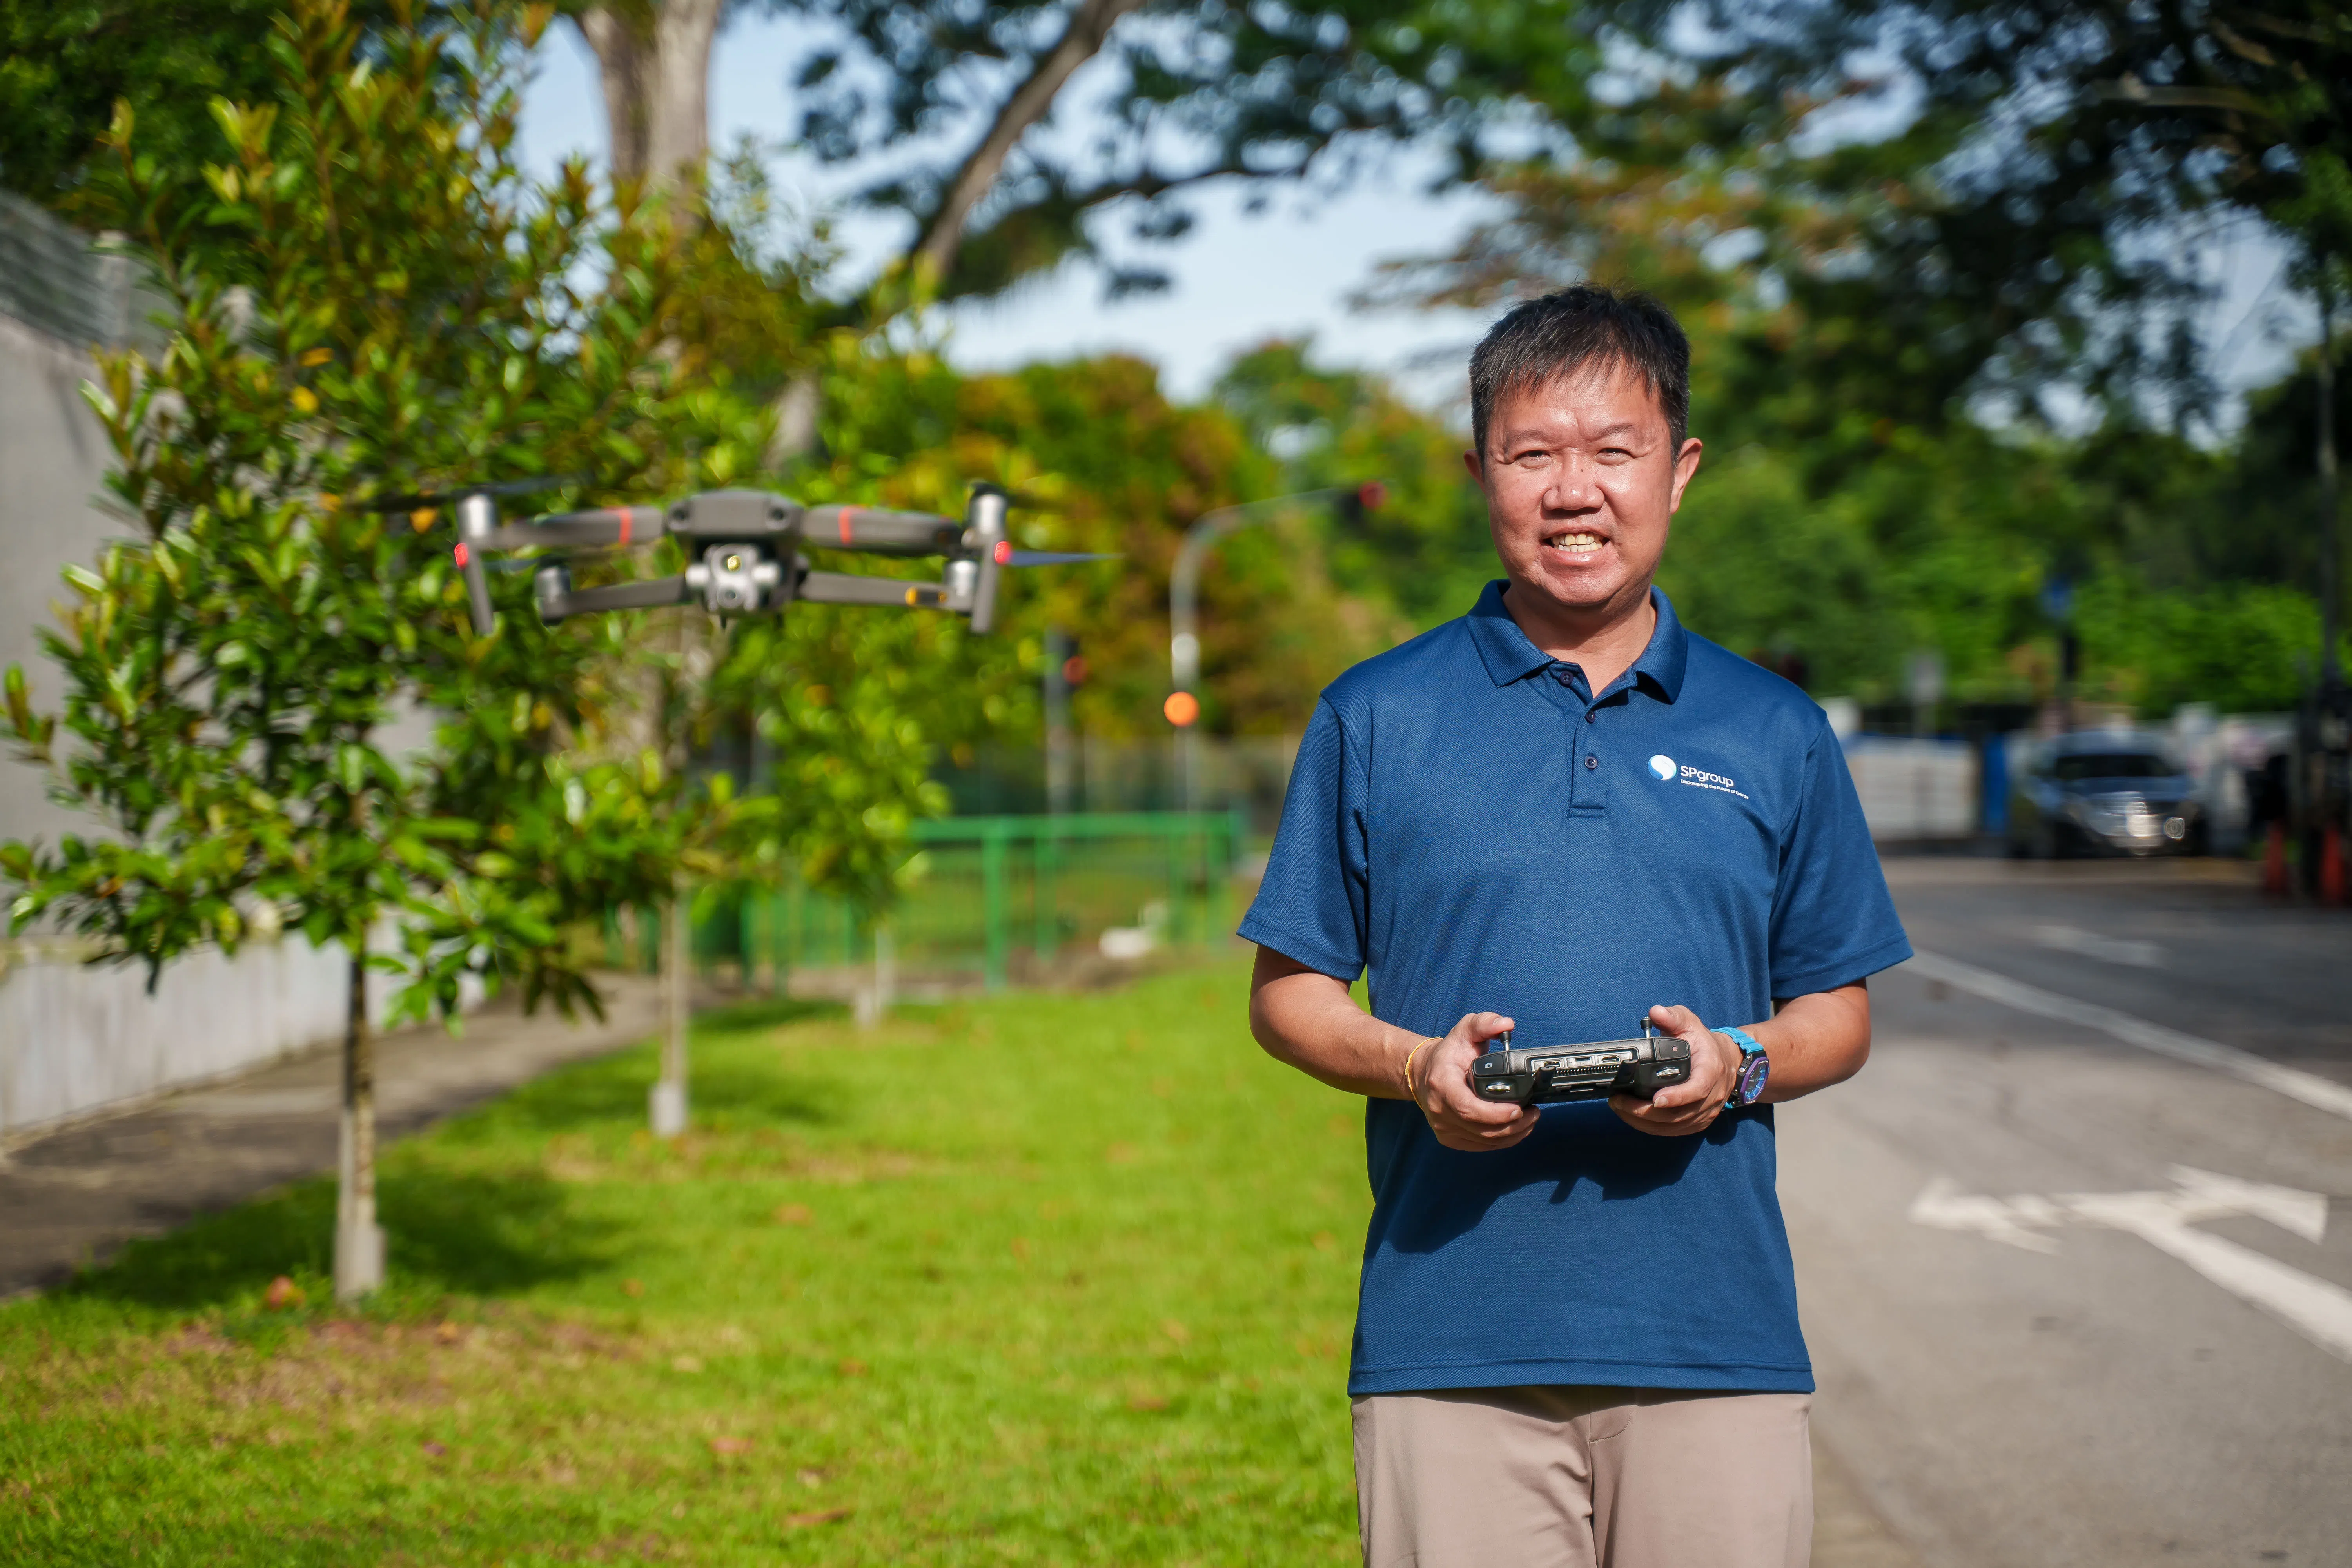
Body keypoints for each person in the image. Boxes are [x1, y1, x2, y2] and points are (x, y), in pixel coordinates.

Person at [1240, 285, 1911, 1568]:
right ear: (1479, 468)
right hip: (1451, 1344)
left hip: (1715, 1342)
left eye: (1615, 451)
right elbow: (1289, 994)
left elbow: (1840, 1013)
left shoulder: (1774, 728)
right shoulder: (1374, 715)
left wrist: (1736, 1064)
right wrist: (1413, 1065)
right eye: (1533, 453)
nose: (1574, 490)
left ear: (1680, 469)